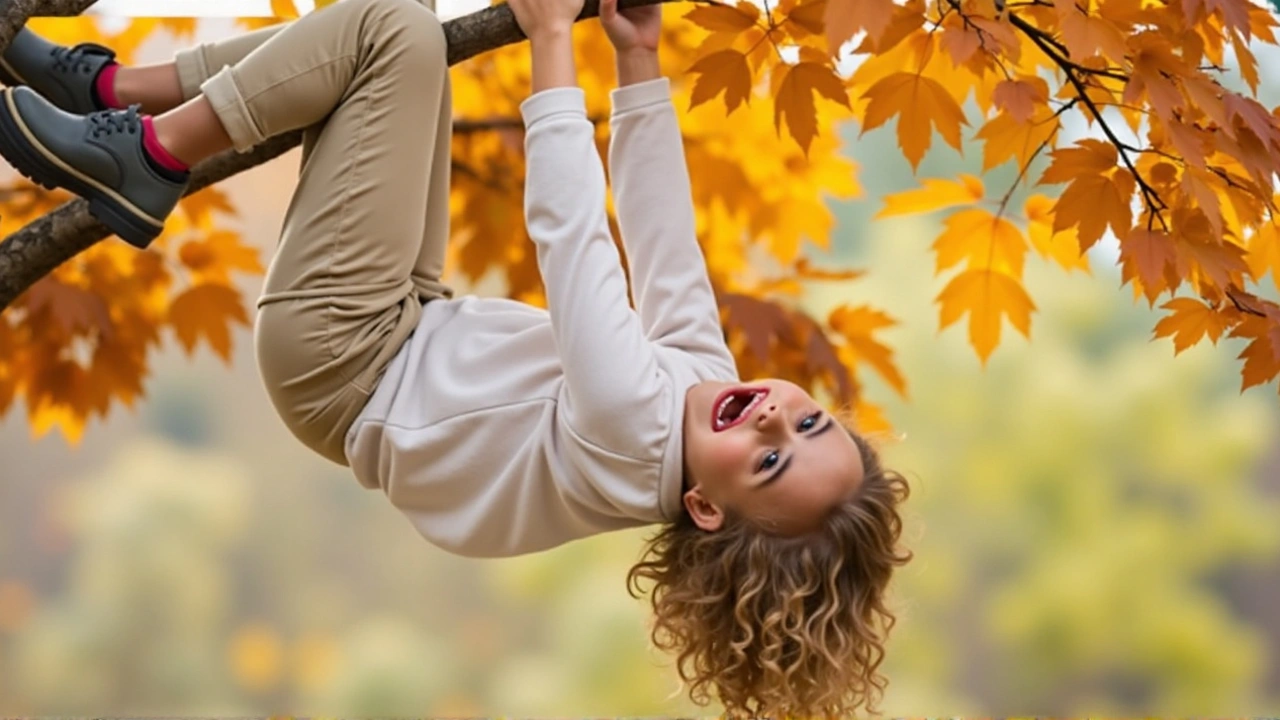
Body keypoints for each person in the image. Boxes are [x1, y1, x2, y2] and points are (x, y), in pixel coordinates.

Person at [0, 0, 912, 714]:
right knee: (401, 30)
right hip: (407, 325)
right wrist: (637, 58)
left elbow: (574, 240)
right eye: (806, 418)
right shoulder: (700, 398)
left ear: (706, 505)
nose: (768, 415)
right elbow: (665, 238)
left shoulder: (635, 436)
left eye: (768, 460)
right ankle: (118, 93)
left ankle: (150, 156)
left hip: (343, 361)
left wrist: (552, 38)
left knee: (395, 31)